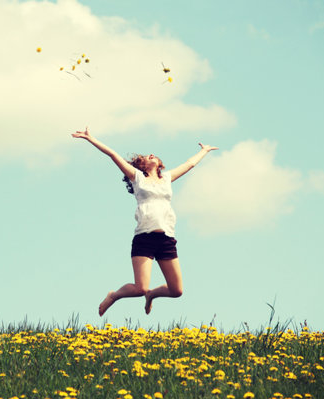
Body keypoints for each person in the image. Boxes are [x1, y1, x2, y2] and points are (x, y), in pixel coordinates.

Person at [71, 127, 217, 316]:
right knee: (140, 288)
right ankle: (114, 295)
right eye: (146, 157)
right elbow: (113, 154)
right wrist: (90, 139)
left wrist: (203, 151)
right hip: (144, 238)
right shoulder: (137, 178)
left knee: (177, 291)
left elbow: (189, 164)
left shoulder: (166, 178)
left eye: (153, 155)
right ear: (141, 166)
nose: (151, 155)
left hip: (166, 239)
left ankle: (152, 295)